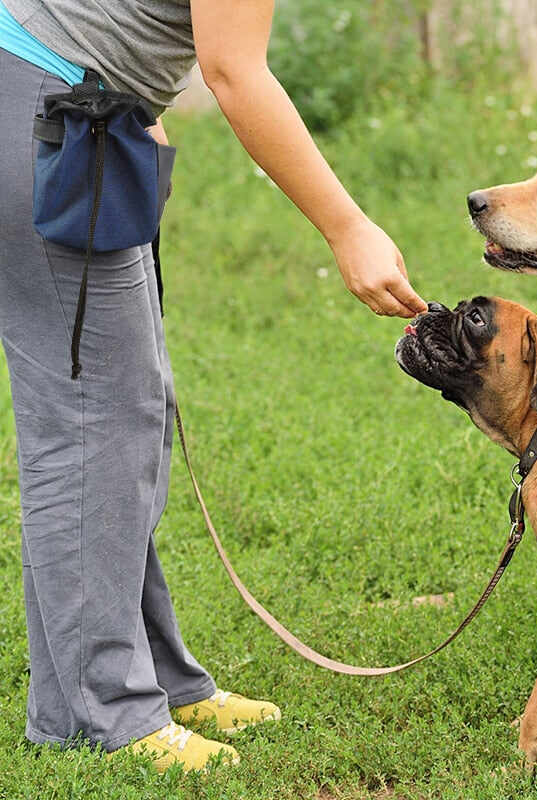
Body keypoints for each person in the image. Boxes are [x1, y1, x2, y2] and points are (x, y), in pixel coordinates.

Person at [0, 0, 427, 773]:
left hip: (78, 105)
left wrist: (136, 97)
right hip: (48, 112)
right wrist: (347, 226)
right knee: (94, 426)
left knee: (127, 418)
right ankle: (101, 718)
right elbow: (235, 71)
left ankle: (154, 679)